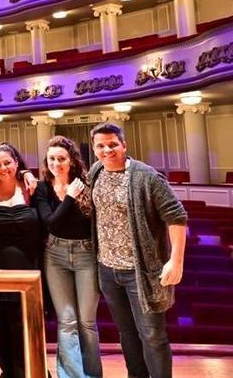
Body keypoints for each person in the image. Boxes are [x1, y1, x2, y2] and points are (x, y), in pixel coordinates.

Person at [89, 122, 186, 378]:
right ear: (95, 149)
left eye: (112, 144)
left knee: (153, 335)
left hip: (142, 272)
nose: (107, 150)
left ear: (124, 145)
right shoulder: (96, 171)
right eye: (100, 145)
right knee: (127, 334)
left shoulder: (147, 176)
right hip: (107, 270)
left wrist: (176, 261)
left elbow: (177, 217)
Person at [33, 136, 102, 378]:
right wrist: (69, 197)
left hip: (85, 255)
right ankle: (72, 376)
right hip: (55, 255)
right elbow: (51, 224)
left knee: (87, 322)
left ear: (72, 161)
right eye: (51, 159)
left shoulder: (86, 184)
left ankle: (92, 374)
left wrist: (73, 193)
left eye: (61, 158)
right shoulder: (42, 189)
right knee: (67, 321)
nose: (56, 163)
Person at [0, 142, 41, 378]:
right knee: (3, 326)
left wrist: (28, 174)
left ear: (17, 162)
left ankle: (29, 371)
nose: (3, 168)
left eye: (7, 162)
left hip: (28, 267)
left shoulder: (32, 187)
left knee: (24, 326)